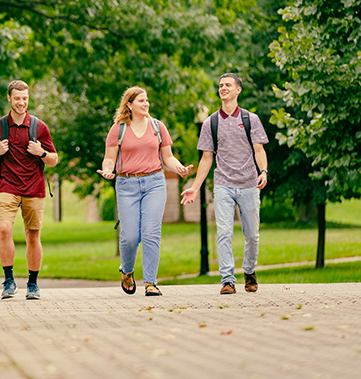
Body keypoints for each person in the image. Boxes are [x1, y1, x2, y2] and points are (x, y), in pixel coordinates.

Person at [97, 86, 192, 296]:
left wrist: (179, 168)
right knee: (129, 236)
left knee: (151, 233)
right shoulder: (118, 129)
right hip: (126, 184)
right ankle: (127, 271)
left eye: (147, 100)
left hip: (155, 183)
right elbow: (110, 158)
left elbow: (167, 157)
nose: (146, 104)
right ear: (129, 104)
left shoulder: (158, 127)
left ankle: (150, 282)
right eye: (141, 101)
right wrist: (106, 170)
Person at [181, 73, 269, 294]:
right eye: (220, 85)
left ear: (238, 90)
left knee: (252, 234)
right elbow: (206, 159)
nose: (223, 88)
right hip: (223, 185)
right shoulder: (211, 122)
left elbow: (259, 150)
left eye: (228, 85)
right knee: (224, 232)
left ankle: (249, 271)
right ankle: (228, 280)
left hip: (249, 183)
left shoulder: (251, 119)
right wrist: (195, 187)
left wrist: (264, 171)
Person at [0, 80, 58, 300]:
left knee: (33, 235)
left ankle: (33, 284)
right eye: (17, 98)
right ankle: (8, 281)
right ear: (9, 98)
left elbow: (54, 160)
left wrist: (40, 152)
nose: (21, 102)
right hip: (7, 185)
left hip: (34, 186)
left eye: (25, 98)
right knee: (5, 228)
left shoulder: (39, 127)